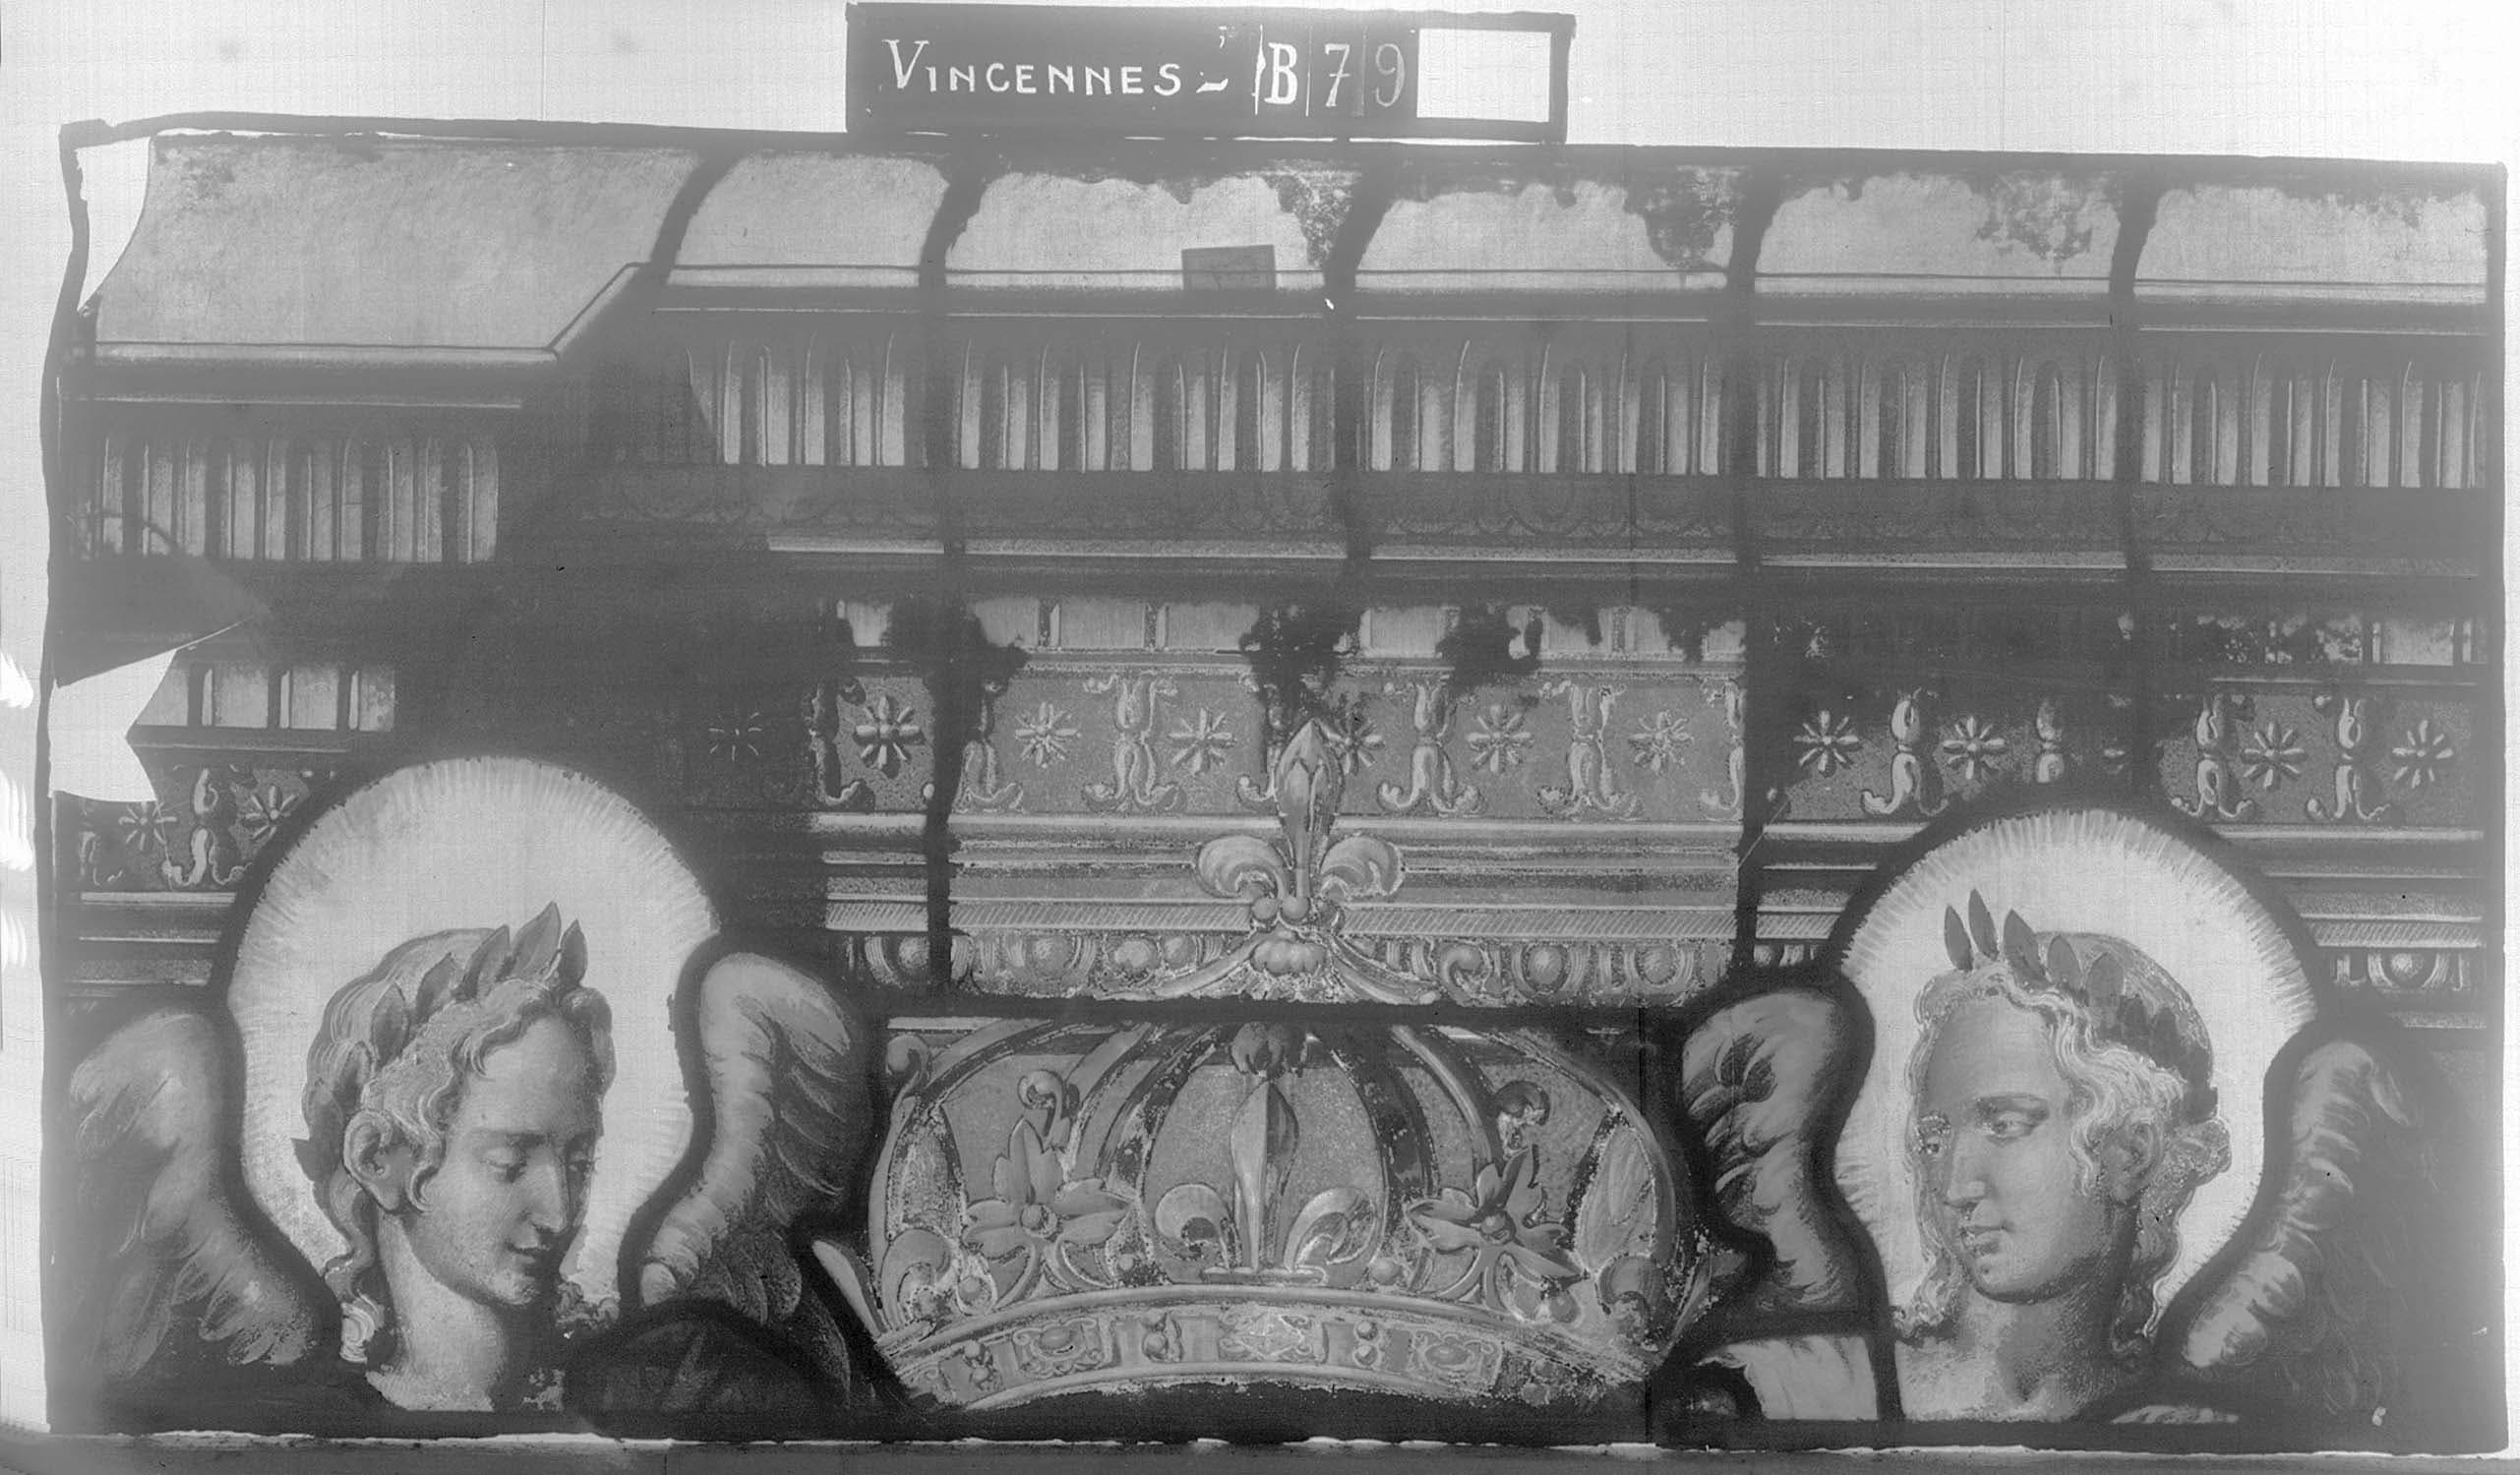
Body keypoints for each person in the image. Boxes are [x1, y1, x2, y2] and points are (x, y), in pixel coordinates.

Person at [1890, 899, 2230, 1420]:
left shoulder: (2183, 1419)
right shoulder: (1838, 1378)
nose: (1953, 1188)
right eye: (1934, 1142)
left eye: (2005, 1126)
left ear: (2132, 1153)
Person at [296, 905, 614, 1413]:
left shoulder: (627, 1380)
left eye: (580, 1165)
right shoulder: (311, 1410)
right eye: (510, 1163)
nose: (559, 1215)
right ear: (378, 1158)